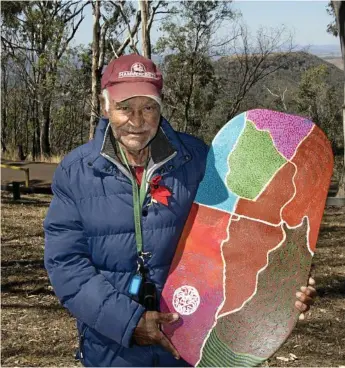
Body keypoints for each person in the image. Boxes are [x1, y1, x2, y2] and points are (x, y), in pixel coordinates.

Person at [44, 54, 317, 367]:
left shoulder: (196, 158)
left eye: (148, 107)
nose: (137, 120)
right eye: (124, 108)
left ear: (160, 107)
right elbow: (66, 262)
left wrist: (285, 277)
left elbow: (240, 232)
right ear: (105, 107)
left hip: (189, 343)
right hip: (111, 349)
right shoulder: (77, 172)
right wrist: (128, 323)